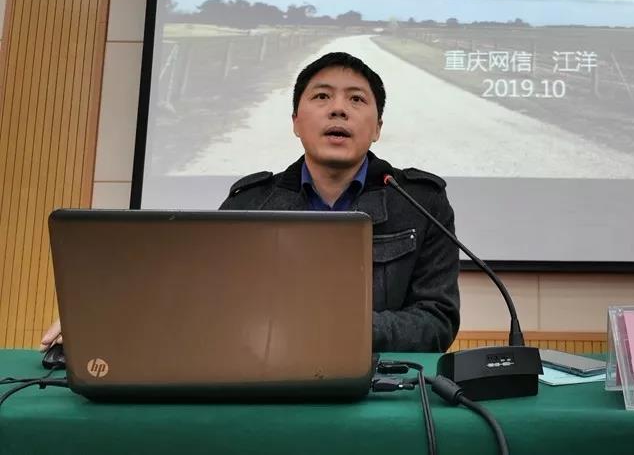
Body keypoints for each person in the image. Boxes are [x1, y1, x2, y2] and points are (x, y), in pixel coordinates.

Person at [42, 52, 461, 353]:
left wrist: (342, 328)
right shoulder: (252, 203)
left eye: (356, 99)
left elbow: (437, 321)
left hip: (384, 386)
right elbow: (197, 294)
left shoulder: (420, 203)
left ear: (378, 127)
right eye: (321, 97)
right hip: (268, 379)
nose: (338, 109)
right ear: (296, 122)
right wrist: (106, 319)